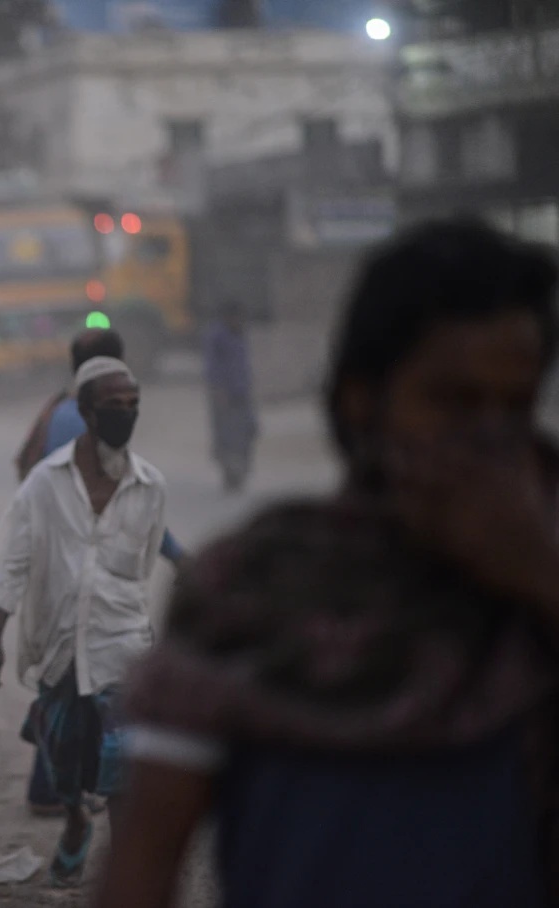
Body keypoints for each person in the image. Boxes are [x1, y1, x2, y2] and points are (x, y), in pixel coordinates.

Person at [97, 220, 559, 908]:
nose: (488, 438)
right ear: (362, 401)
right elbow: (142, 867)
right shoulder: (248, 592)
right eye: (454, 402)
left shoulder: (539, 587)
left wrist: (538, 576)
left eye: (514, 407)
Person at [0, 355, 167, 888]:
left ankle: (127, 865)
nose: (125, 415)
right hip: (60, 642)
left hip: (122, 642)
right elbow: (12, 561)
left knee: (119, 756)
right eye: (114, 406)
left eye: (133, 406)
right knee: (63, 753)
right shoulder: (45, 482)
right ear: (86, 411)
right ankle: (74, 818)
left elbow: (145, 562)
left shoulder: (150, 486)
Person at [12, 328, 184, 818]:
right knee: (79, 688)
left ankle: (49, 789)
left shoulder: (60, 409)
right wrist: (174, 554)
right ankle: (73, 788)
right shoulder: (79, 422)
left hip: (65, 569)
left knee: (70, 686)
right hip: (79, 573)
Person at [203, 299, 258, 493]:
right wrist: (218, 391)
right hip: (224, 394)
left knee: (247, 432)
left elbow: (244, 365)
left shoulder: (240, 335)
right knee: (225, 436)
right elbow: (212, 366)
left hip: (241, 393)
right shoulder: (217, 336)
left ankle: (241, 473)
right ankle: (229, 475)